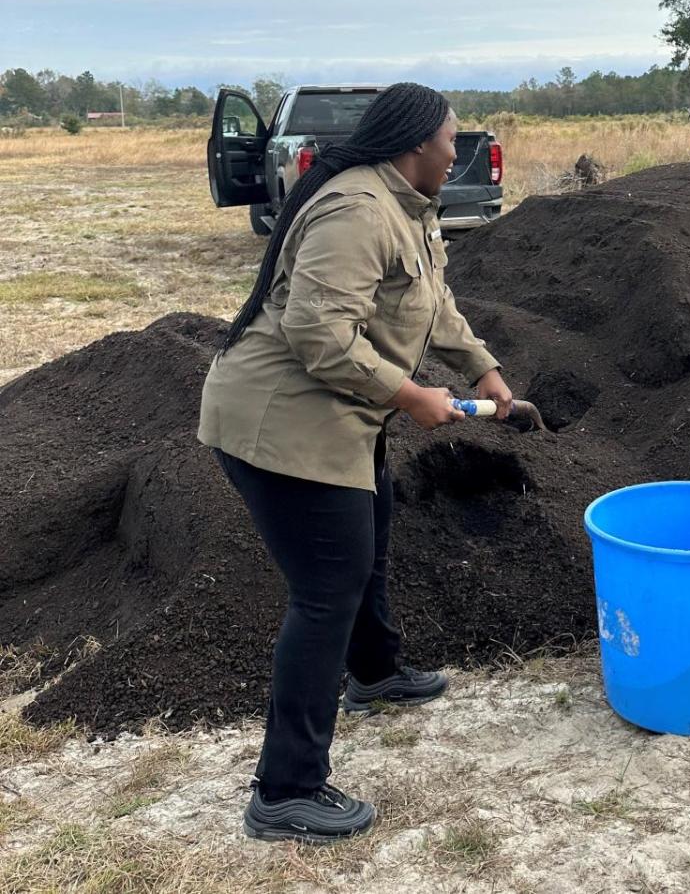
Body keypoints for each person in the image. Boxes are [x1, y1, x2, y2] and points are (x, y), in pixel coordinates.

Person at [198, 83, 512, 843]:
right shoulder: (356, 210)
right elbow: (317, 333)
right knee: (327, 588)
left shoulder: (404, 205)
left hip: (339, 417)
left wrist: (483, 370)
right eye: (449, 139)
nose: (456, 150)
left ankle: (374, 673)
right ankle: (286, 789)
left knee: (371, 525)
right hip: (282, 427)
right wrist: (410, 396)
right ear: (414, 146)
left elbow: (433, 303)